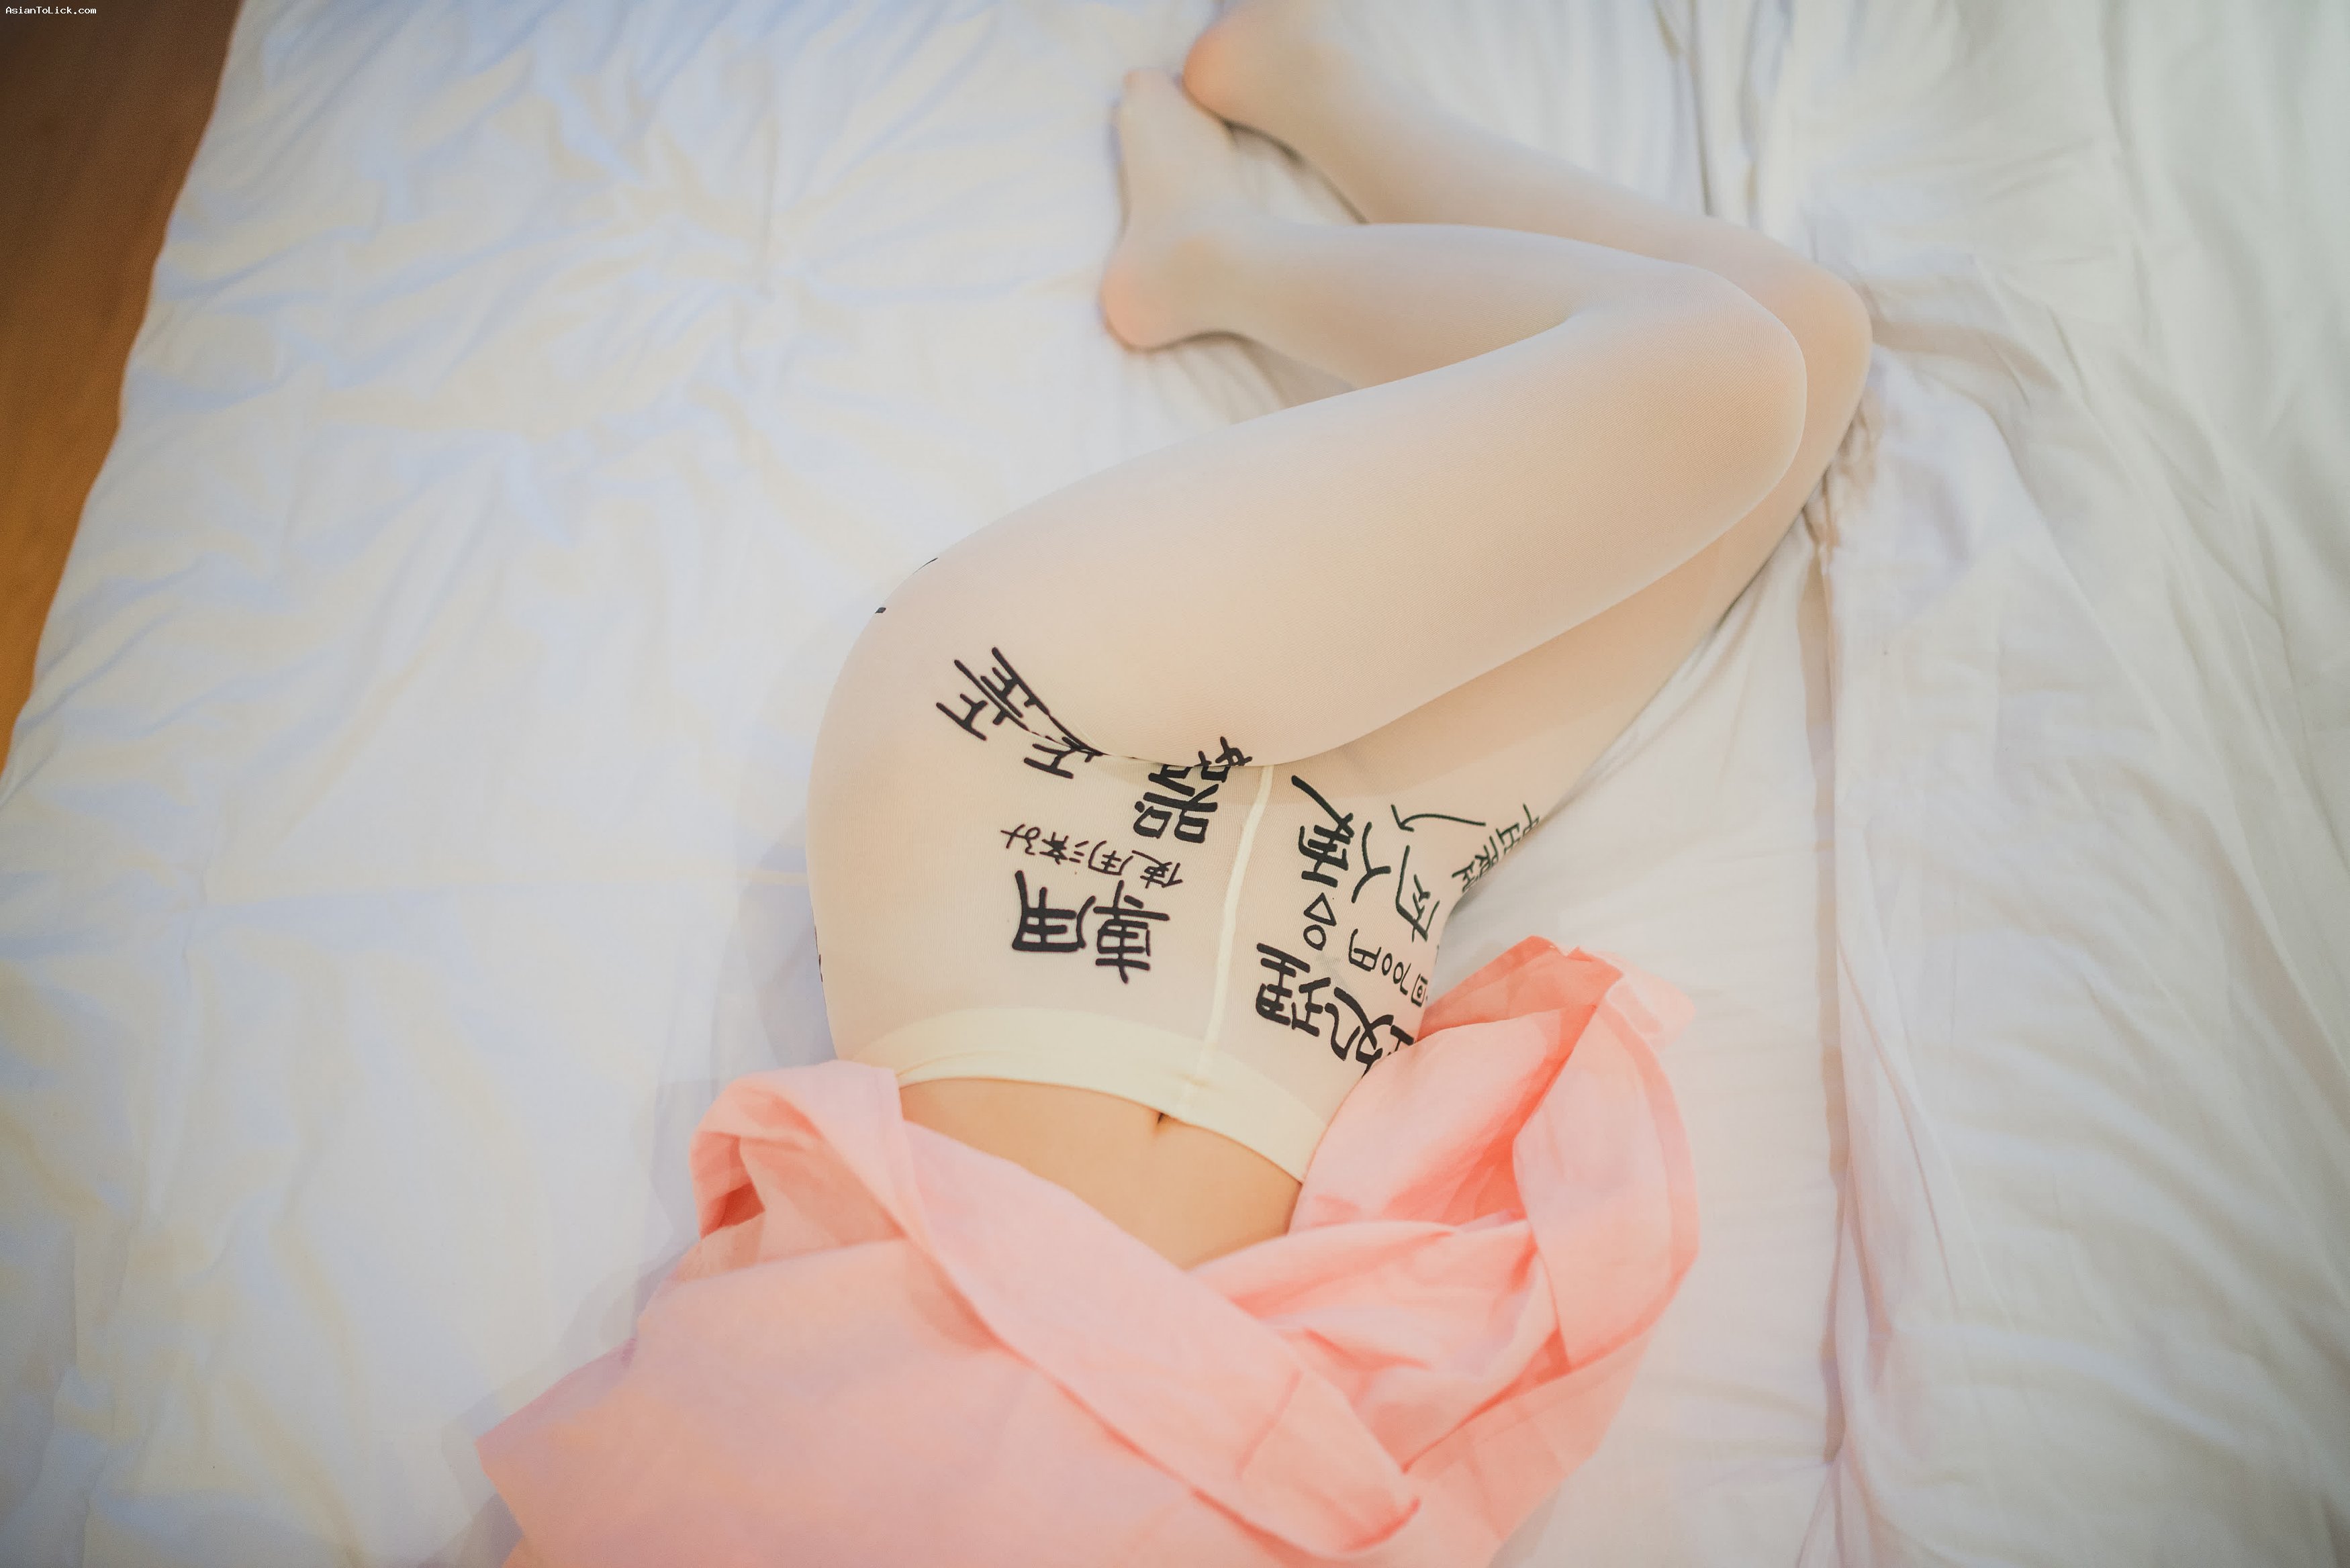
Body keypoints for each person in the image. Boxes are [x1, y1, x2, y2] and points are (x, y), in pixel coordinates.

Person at [806, 0, 1871, 1275]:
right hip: (1357, 882)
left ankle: (1230, 254)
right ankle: (1269, 140)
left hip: (1031, 750)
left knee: (1730, 366)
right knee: (1801, 334)